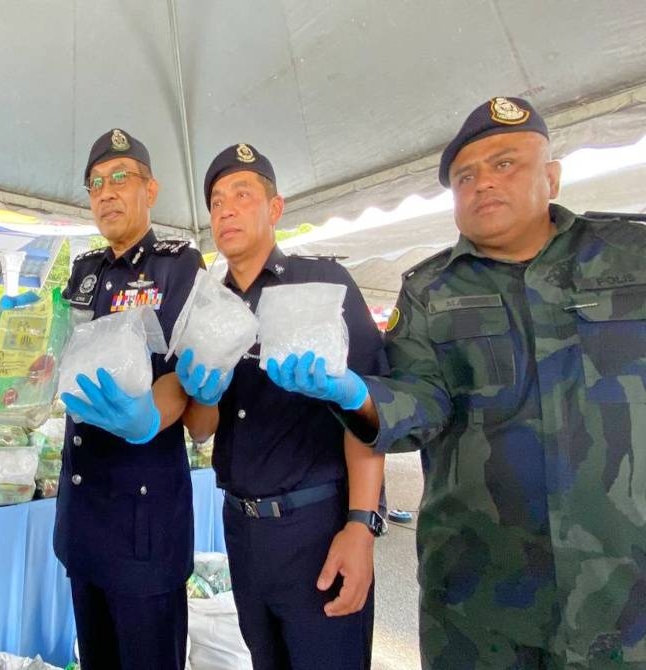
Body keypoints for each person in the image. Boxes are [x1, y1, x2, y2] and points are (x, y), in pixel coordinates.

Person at [288, 97, 646, 668]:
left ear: (550, 176)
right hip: (481, 594)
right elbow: (423, 401)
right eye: (465, 176)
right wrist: (356, 393)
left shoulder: (632, 255)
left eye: (505, 164)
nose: (483, 184)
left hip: (626, 590)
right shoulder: (430, 290)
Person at [177, 144, 386, 670]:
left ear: (274, 208)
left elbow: (371, 412)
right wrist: (202, 396)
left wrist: (361, 526)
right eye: (217, 200)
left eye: (242, 195)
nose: (225, 209)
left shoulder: (322, 286)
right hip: (243, 531)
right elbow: (202, 430)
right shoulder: (208, 308)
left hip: (315, 526)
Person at [51, 128, 203, 670]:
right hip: (84, 515)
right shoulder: (83, 271)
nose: (107, 192)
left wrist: (149, 418)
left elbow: (187, 371)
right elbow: (61, 359)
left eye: (120, 178)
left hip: (145, 523)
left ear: (150, 189)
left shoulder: (179, 264)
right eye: (95, 184)